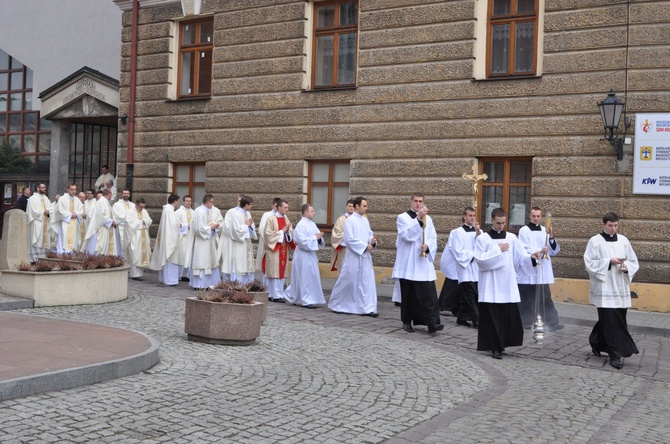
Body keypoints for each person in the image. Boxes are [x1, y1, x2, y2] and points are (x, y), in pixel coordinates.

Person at [474, 208, 541, 359]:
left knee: (505, 317)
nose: (500, 226)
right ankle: (494, 347)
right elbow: (480, 260)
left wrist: (532, 256)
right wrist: (497, 249)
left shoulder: (511, 238)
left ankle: (503, 343)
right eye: (498, 223)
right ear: (491, 220)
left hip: (507, 284)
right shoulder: (483, 239)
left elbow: (520, 258)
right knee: (492, 318)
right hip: (490, 284)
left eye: (503, 223)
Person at [584, 212, 639, 370]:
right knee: (610, 322)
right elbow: (589, 263)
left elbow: (633, 261)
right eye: (610, 226)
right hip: (605, 286)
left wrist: (626, 266)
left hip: (620, 286)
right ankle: (615, 354)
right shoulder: (595, 241)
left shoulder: (624, 240)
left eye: (615, 226)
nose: (613, 229)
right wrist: (609, 261)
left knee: (615, 319)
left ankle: (596, 341)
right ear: (603, 225)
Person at [392, 193, 443, 333]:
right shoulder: (402, 218)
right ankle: (407, 321)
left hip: (422, 263)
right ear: (411, 202)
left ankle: (432, 322)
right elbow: (406, 236)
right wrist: (418, 218)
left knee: (428, 294)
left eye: (421, 201)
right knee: (408, 295)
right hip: (408, 263)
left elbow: (433, 237)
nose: (418, 204)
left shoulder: (429, 219)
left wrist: (428, 246)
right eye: (416, 201)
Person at [327, 196, 378, 317]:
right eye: (364, 206)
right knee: (349, 280)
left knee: (366, 281)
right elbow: (350, 239)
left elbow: (370, 234)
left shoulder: (365, 220)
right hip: (354, 256)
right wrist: (365, 246)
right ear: (357, 206)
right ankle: (338, 303)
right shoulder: (349, 221)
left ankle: (367, 307)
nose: (366, 208)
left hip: (365, 256)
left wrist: (373, 241)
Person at [517, 207, 563, 331]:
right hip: (529, 268)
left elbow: (553, 250)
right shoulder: (524, 230)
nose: (536, 218)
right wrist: (539, 251)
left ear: (541, 217)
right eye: (534, 216)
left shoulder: (545, 230)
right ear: (530, 216)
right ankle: (525, 322)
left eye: (538, 216)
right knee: (527, 297)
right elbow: (523, 249)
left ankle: (553, 323)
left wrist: (551, 237)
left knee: (545, 296)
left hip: (542, 268)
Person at [285, 204, 326, 308]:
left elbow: (318, 237)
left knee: (311, 276)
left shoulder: (312, 224)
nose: (314, 212)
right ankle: (305, 299)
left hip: (311, 254)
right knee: (304, 276)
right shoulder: (301, 225)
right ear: (305, 212)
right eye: (312, 211)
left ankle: (309, 297)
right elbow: (301, 241)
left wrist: (320, 238)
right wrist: (315, 237)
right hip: (302, 255)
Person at [451, 207, 482, 328]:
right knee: (471, 295)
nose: (472, 218)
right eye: (470, 215)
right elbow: (457, 250)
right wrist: (472, 256)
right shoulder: (458, 232)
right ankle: (477, 320)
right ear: (464, 217)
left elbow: (483, 246)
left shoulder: (479, 231)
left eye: (474, 215)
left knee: (473, 293)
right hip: (465, 267)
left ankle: (462, 317)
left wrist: (478, 235)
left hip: (477, 268)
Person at [184, 194, 222, 290]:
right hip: (201, 241)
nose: (213, 204)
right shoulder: (198, 211)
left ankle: (209, 284)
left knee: (210, 262)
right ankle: (199, 284)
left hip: (209, 240)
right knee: (202, 262)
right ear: (208, 202)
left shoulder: (209, 211)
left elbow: (209, 223)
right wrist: (210, 227)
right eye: (212, 202)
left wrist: (214, 227)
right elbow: (197, 228)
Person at [149, 194, 186, 286]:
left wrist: (177, 224)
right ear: (175, 201)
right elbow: (172, 226)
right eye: (178, 201)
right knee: (170, 260)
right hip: (169, 240)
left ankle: (167, 279)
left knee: (168, 261)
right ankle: (170, 280)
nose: (178, 203)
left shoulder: (168, 210)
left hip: (166, 239)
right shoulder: (169, 211)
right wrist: (180, 225)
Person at [262, 199, 295, 302]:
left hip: (284, 249)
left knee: (281, 273)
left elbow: (291, 233)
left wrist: (287, 233)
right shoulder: (271, 219)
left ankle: (278, 294)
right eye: (285, 207)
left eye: (287, 208)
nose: (287, 210)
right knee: (274, 273)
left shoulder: (286, 219)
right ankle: (273, 295)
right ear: (279, 207)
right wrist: (282, 232)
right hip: (274, 250)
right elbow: (268, 235)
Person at [219, 195, 256, 284]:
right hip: (238, 244)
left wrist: (250, 227)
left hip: (246, 243)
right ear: (246, 205)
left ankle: (247, 285)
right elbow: (235, 231)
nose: (251, 206)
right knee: (238, 265)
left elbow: (251, 227)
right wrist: (246, 226)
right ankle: (238, 285)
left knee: (246, 266)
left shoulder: (247, 213)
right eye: (250, 204)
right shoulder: (236, 214)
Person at [82, 188, 120, 255]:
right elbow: (101, 216)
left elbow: (109, 214)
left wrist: (113, 220)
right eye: (111, 195)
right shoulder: (102, 202)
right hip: (100, 228)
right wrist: (111, 222)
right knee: (98, 246)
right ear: (109, 194)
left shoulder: (105, 202)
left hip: (105, 227)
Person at [438, 219, 464, 316]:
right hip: (454, 262)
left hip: (462, 263)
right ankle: (444, 305)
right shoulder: (456, 232)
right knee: (452, 285)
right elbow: (453, 248)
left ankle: (455, 308)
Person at [255, 197, 282, 283]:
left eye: (277, 207)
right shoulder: (266, 215)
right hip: (266, 243)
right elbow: (262, 229)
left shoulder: (282, 216)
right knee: (266, 263)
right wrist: (270, 239)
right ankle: (264, 283)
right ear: (272, 205)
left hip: (277, 243)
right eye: (275, 206)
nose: (276, 209)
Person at [125, 197, 153, 281]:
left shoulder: (144, 211)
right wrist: (141, 222)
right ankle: (134, 274)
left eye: (143, 206)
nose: (141, 208)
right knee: (135, 254)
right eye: (140, 207)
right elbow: (129, 223)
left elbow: (149, 220)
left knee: (141, 255)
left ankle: (140, 274)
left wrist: (144, 221)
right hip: (135, 237)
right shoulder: (130, 212)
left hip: (143, 236)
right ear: (136, 204)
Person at [55, 184, 84, 254]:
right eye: (72, 189)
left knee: (74, 238)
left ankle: (71, 253)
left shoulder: (77, 200)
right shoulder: (62, 199)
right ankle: (62, 254)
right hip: (65, 223)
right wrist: (70, 214)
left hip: (74, 223)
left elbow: (81, 210)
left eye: (75, 189)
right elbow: (59, 211)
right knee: (64, 238)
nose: (74, 191)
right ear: (67, 189)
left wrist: (76, 214)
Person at [26, 183, 51, 262]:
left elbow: (50, 208)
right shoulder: (32, 198)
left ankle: (42, 257)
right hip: (36, 222)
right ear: (37, 188)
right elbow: (33, 211)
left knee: (43, 240)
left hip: (45, 222)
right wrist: (44, 212)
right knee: (36, 239)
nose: (44, 189)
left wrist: (49, 212)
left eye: (45, 187)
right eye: (43, 187)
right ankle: (34, 259)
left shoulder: (46, 198)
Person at [330, 199, 355, 274]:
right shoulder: (341, 220)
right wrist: (347, 235)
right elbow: (335, 235)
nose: (351, 208)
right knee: (344, 272)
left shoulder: (357, 219)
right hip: (344, 249)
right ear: (346, 207)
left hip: (355, 249)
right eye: (349, 206)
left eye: (353, 206)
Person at [176, 195, 194, 281]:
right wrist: (186, 226)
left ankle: (185, 275)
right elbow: (176, 224)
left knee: (189, 256)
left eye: (190, 201)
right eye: (187, 201)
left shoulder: (194, 212)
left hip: (191, 237)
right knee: (182, 255)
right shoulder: (178, 212)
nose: (188, 202)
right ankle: (179, 274)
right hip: (183, 237)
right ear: (183, 202)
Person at [112, 189, 132, 258]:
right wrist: (128, 219)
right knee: (121, 243)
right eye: (124, 193)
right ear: (121, 194)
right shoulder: (116, 205)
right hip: (121, 227)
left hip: (130, 228)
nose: (126, 195)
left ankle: (128, 258)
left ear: (129, 195)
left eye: (127, 193)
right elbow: (117, 216)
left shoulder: (132, 205)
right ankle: (122, 258)